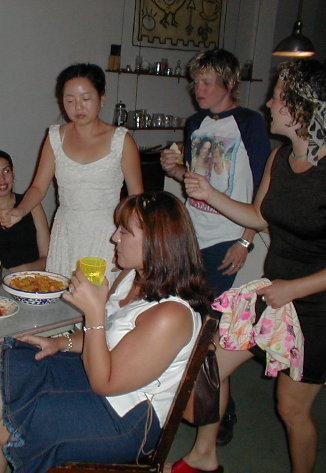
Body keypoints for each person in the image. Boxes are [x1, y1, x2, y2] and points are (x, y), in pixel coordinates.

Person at [0, 191, 211, 473]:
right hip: (96, 376)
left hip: (122, 419)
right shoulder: (133, 276)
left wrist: (94, 312)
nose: (115, 237)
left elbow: (105, 382)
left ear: (155, 243)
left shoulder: (170, 316)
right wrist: (60, 342)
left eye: (124, 232)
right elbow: (109, 336)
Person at [175, 59, 326, 473]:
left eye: (277, 97)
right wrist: (208, 192)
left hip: (314, 305)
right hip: (274, 292)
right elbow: (258, 216)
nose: (268, 104)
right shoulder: (280, 158)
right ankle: (205, 456)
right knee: (208, 364)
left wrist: (293, 289)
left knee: (291, 409)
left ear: (300, 108)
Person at [160, 48, 270, 445]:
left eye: (207, 82)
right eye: (196, 82)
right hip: (191, 234)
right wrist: (174, 169)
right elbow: (196, 180)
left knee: (208, 328)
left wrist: (245, 240)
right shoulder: (195, 123)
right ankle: (209, 403)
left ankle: (220, 410)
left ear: (229, 83)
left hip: (227, 238)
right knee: (191, 324)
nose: (198, 89)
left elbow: (262, 191)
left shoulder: (250, 124)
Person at [0, 63, 143, 279]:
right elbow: (38, 187)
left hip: (107, 233)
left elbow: (137, 199)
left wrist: (126, 243)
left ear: (102, 97)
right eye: (70, 100)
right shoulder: (55, 137)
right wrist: (20, 210)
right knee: (62, 291)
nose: (78, 107)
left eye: (86, 98)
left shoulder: (122, 141)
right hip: (66, 231)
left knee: (101, 295)